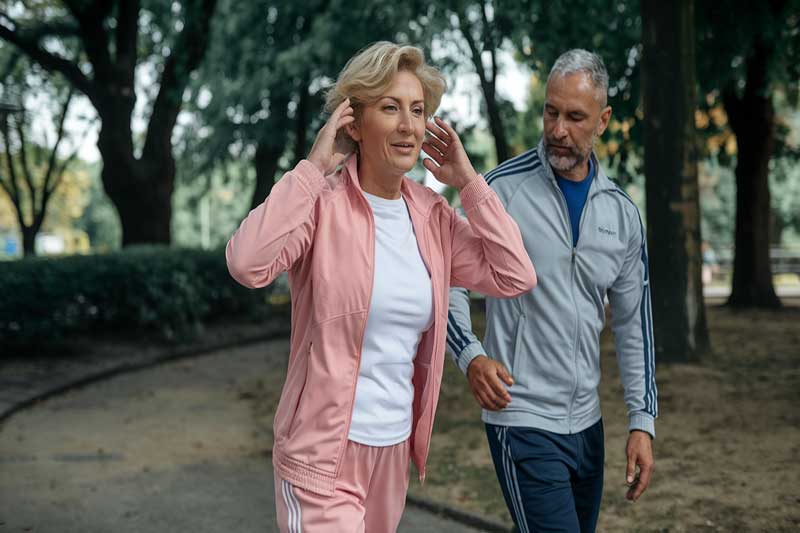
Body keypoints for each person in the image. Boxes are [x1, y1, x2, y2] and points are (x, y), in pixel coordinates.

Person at [225, 41, 537, 532]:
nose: (409, 126)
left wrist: (468, 182)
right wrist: (311, 170)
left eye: (418, 111)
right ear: (354, 122)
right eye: (390, 108)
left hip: (391, 456)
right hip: (321, 457)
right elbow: (247, 263)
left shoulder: (433, 217)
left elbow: (514, 274)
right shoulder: (321, 205)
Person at [447, 49, 657, 532]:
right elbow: (449, 283)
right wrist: (471, 356)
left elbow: (633, 324)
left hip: (588, 425)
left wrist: (642, 421)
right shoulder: (498, 191)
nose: (558, 129)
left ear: (603, 120)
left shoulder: (621, 214)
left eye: (575, 117)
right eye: (551, 111)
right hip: (520, 417)